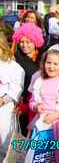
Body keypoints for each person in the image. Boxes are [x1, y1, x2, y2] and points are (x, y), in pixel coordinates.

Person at [12, 22, 44, 136]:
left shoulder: (42, 57)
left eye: (28, 42)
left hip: (40, 104)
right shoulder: (16, 58)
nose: (24, 45)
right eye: (21, 42)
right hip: (23, 104)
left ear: (35, 41)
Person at [0, 32, 24, 161]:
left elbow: (17, 86)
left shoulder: (13, 66)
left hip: (5, 109)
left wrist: (4, 99)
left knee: (6, 142)